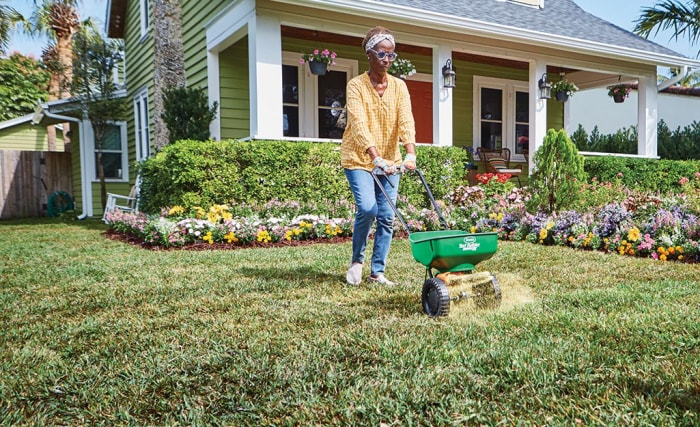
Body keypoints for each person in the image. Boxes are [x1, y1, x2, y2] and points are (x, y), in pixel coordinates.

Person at [340, 26, 417, 286]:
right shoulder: (356, 86)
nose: (386, 60)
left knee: (386, 216)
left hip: (390, 160)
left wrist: (410, 153)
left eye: (391, 55)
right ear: (369, 54)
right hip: (359, 158)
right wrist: (374, 157)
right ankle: (356, 263)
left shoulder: (399, 87)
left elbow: (406, 120)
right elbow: (359, 124)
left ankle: (377, 272)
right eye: (382, 54)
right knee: (367, 208)